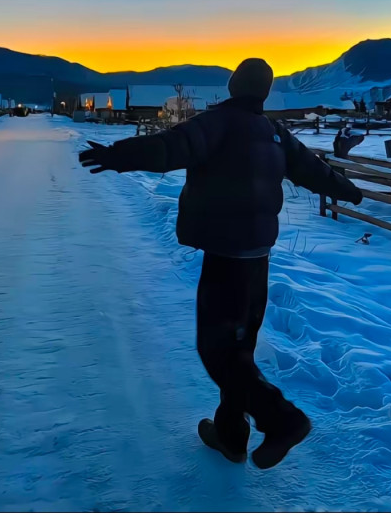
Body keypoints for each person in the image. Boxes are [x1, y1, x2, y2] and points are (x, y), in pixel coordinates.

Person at [78, 58, 363, 469]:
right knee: (238, 351)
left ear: (233, 86)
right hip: (258, 257)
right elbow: (313, 169)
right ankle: (231, 436)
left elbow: (169, 147)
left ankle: (282, 420)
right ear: (264, 92)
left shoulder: (218, 123)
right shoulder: (273, 132)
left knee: (217, 350)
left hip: (226, 257)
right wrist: (349, 191)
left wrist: (117, 154)